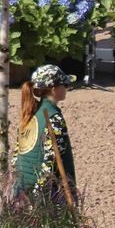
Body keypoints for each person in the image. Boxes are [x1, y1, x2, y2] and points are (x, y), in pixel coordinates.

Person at [13, 64, 77, 204]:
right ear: (54, 90)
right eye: (64, 85)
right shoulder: (53, 118)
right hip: (43, 197)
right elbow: (56, 162)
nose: (67, 88)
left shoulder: (30, 114)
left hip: (21, 190)